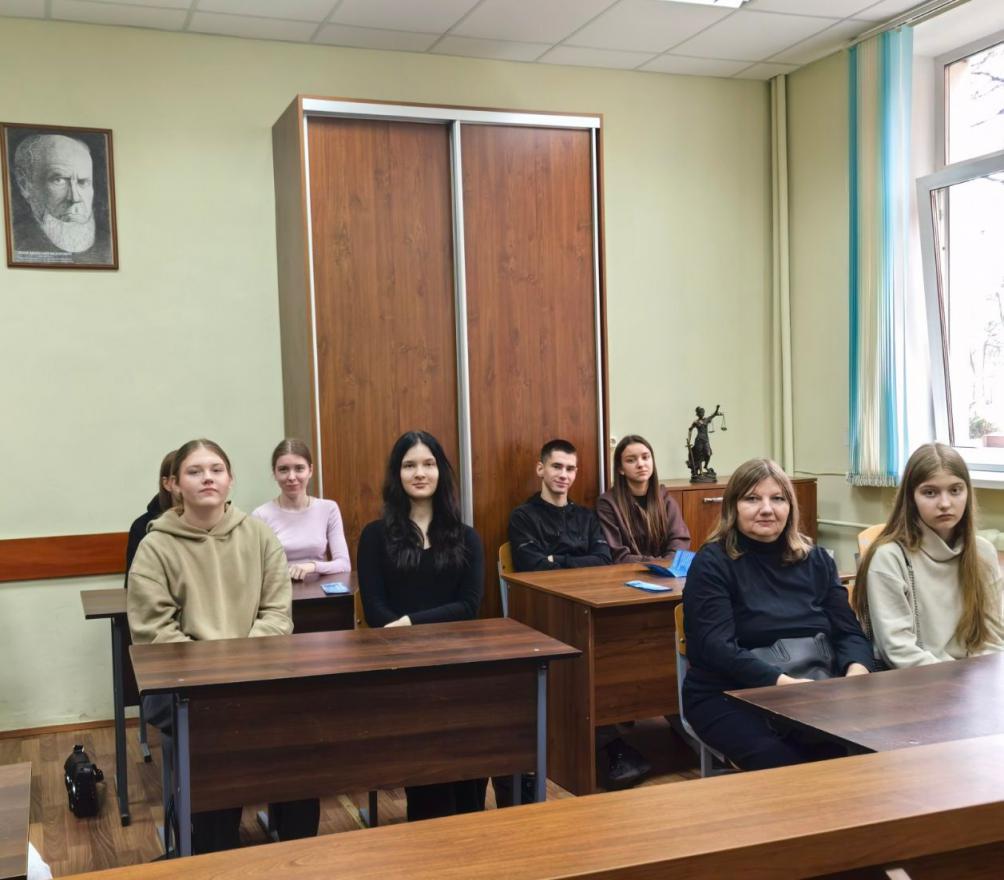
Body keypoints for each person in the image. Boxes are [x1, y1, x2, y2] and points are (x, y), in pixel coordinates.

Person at [127, 439, 316, 853]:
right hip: (190, 689)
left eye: (216, 470)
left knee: (304, 761)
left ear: (231, 479)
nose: (207, 478)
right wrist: (216, 673)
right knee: (215, 777)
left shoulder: (259, 536)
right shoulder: (155, 547)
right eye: (195, 471)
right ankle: (212, 854)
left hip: (258, 678)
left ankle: (298, 855)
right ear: (175, 484)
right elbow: (156, 631)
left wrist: (242, 667)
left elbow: (277, 614)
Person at [682, 458, 874, 771]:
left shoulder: (817, 560)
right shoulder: (712, 562)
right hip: (730, 692)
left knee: (873, 750)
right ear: (733, 507)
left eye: (778, 498)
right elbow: (716, 649)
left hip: (817, 685)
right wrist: (786, 685)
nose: (767, 509)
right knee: (788, 767)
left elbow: (849, 633)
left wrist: (854, 679)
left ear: (790, 507)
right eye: (752, 499)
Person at [356, 430, 485, 821]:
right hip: (401, 664)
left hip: (456, 661)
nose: (419, 473)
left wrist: (411, 621)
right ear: (397, 474)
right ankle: (430, 831)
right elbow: (375, 611)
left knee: (475, 739)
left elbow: (468, 607)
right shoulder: (375, 536)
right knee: (429, 750)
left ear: (440, 471)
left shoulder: (466, 538)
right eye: (409, 465)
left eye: (428, 464)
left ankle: (470, 826)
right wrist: (407, 633)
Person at [508, 440, 648, 791]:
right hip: (544, 617)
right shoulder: (523, 517)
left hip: (589, 606)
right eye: (557, 467)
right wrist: (570, 562)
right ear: (541, 469)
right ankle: (610, 748)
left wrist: (555, 560)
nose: (564, 475)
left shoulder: (586, 517)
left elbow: (603, 560)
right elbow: (531, 566)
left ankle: (614, 741)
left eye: (570, 469)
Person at [851, 443, 1004, 669]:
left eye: (955, 490)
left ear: (967, 493)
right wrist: (959, 679)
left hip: (974, 678)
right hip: (916, 680)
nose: (945, 503)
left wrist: (978, 679)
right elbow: (898, 650)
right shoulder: (889, 558)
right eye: (930, 492)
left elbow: (993, 640)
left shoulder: (983, 552)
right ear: (911, 498)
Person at [253, 438, 350, 582]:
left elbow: (344, 565)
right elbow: (255, 570)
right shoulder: (260, 515)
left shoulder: (329, 509)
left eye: (299, 468)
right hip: (279, 592)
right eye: (283, 469)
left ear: (310, 470)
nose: (291, 477)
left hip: (321, 592)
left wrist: (312, 566)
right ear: (274, 473)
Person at [11, 133, 112, 263]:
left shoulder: (108, 244)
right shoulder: (16, 241)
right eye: (59, 180)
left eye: (83, 182)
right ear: (25, 185)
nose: (75, 198)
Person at [597, 434, 690, 563]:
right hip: (628, 572)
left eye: (645, 457)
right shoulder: (608, 503)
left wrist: (666, 564)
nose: (641, 464)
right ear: (620, 469)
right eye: (631, 460)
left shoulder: (665, 498)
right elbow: (618, 554)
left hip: (668, 570)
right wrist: (658, 564)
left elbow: (679, 540)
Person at [124, 450, 176, 585]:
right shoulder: (143, 526)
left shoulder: (214, 522)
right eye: (192, 473)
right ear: (167, 483)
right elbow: (133, 586)